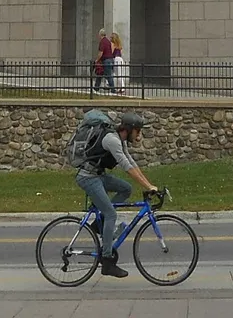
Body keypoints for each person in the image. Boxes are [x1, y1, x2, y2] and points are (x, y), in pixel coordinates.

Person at [76, 111, 157, 279]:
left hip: (98, 175)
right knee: (111, 213)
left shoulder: (120, 140)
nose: (139, 135)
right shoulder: (112, 140)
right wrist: (148, 186)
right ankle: (107, 261)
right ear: (129, 129)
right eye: (138, 131)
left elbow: (132, 163)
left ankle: (99, 226)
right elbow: (126, 167)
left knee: (126, 189)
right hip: (88, 178)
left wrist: (149, 185)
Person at [92, 28, 113, 95]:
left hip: (106, 60)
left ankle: (113, 90)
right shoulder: (107, 41)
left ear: (100, 34)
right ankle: (96, 88)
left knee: (108, 75)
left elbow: (100, 53)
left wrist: (96, 60)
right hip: (109, 59)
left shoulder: (102, 42)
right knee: (100, 74)